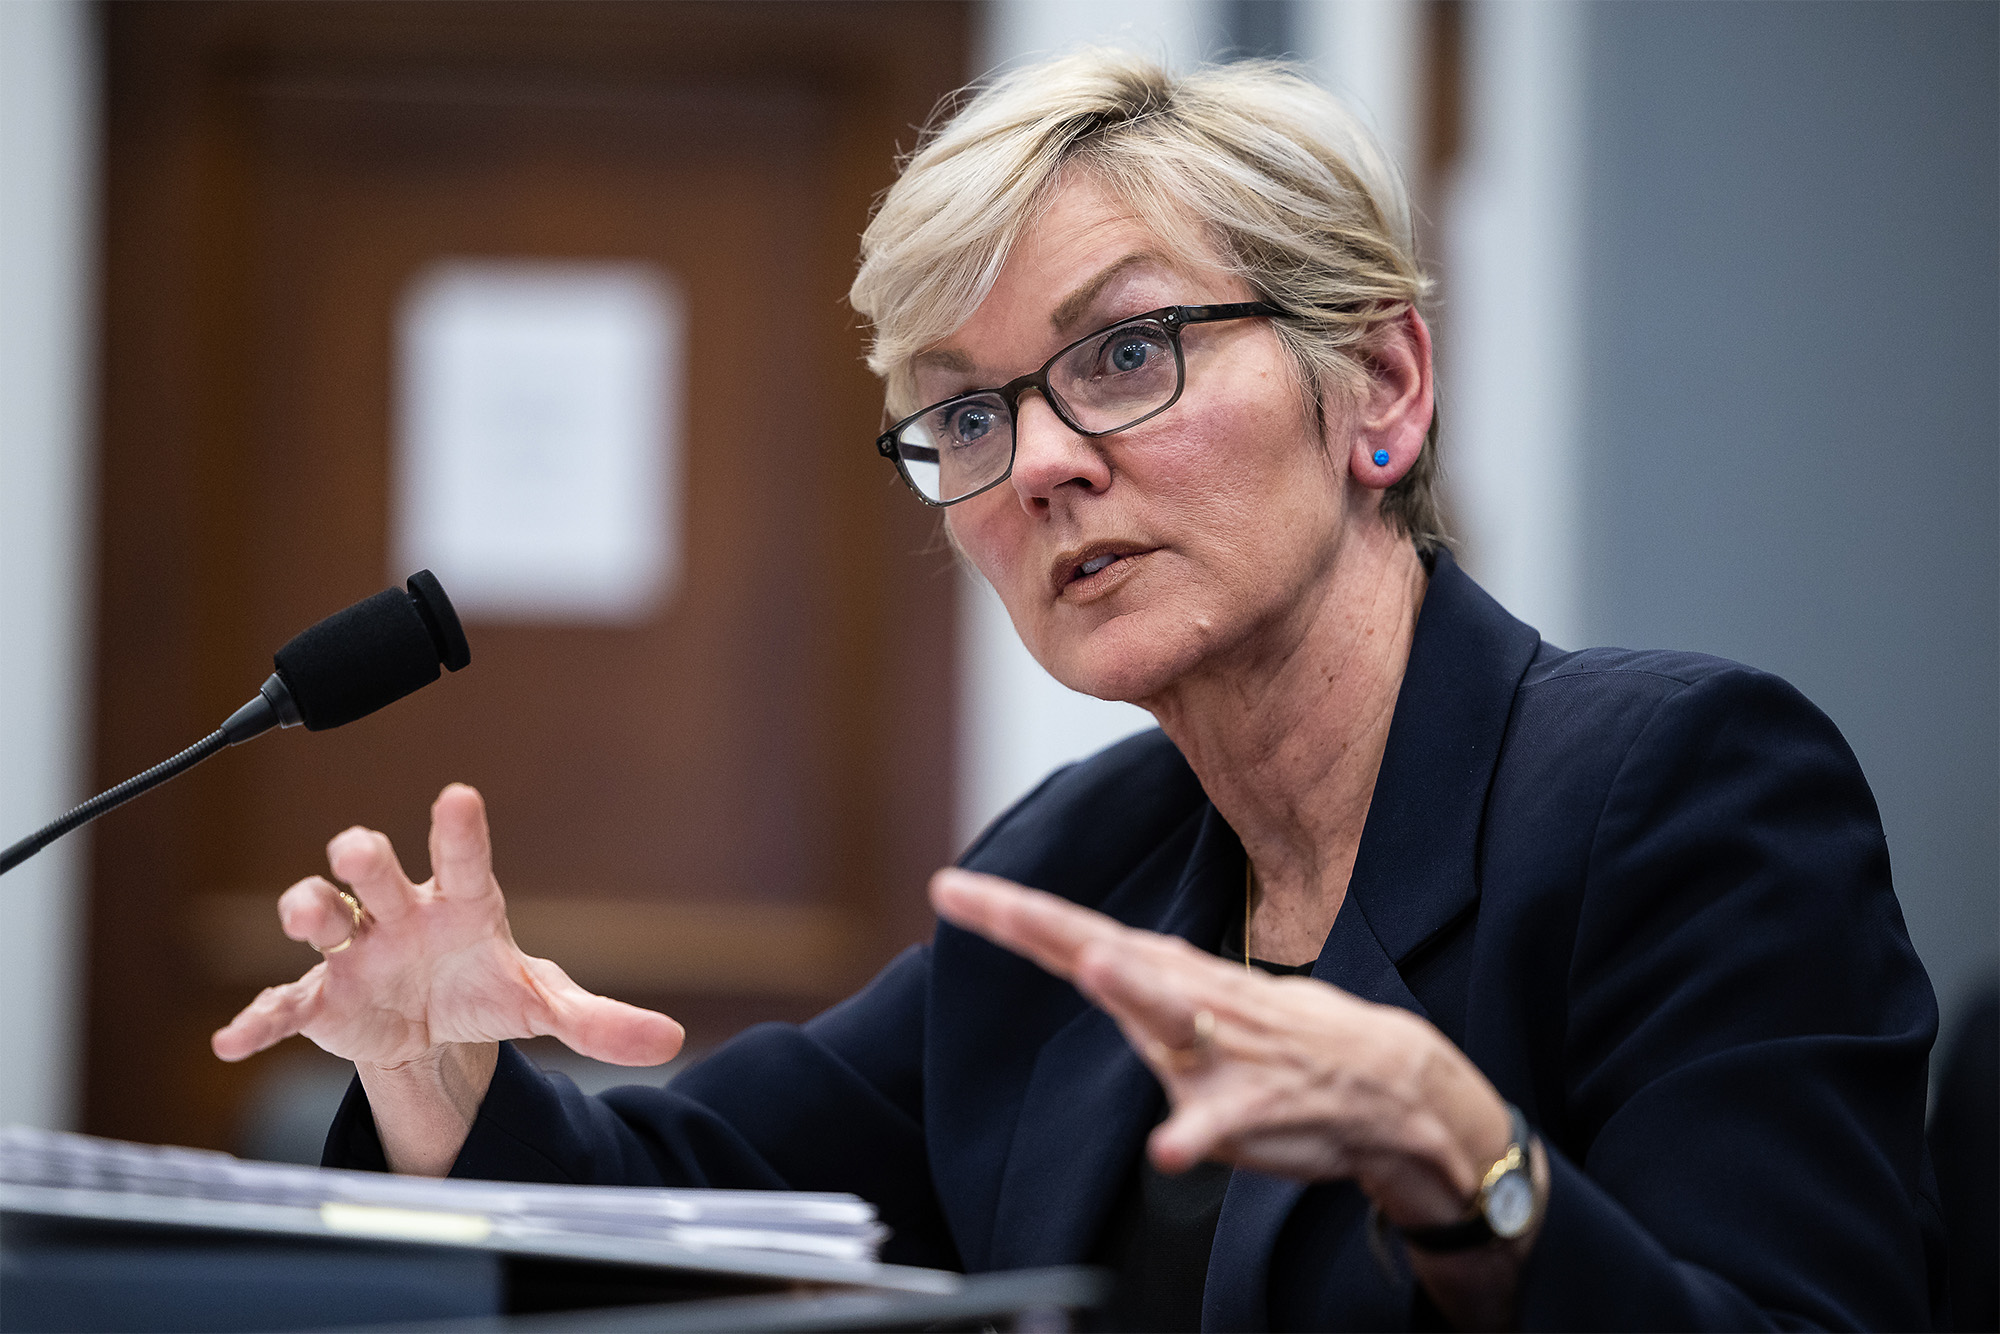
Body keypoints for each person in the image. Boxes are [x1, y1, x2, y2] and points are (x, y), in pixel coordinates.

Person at [213, 53, 1944, 1331]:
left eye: (1125, 353)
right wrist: (444, 1080)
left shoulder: (1682, 792)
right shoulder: (1073, 871)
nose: (1035, 462)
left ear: (1385, 388)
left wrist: (1480, 1169)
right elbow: (702, 1217)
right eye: (965, 414)